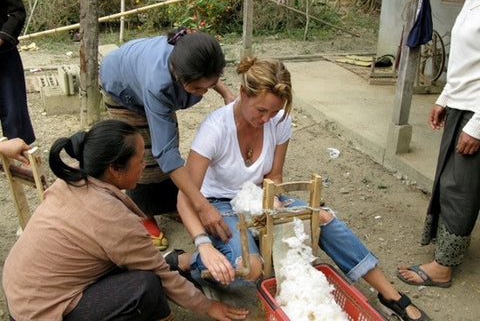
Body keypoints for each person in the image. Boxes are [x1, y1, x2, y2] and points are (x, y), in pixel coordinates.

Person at [167, 57, 431, 321]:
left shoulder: (279, 120)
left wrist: (274, 203)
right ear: (243, 93)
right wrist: (203, 245)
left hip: (259, 196)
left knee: (323, 218)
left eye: (274, 111)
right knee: (250, 269)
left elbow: (274, 175)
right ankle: (185, 262)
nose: (267, 118)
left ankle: (390, 296)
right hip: (219, 203)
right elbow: (185, 197)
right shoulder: (215, 129)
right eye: (261, 110)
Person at [2, 119, 249, 321]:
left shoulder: (71, 179)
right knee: (146, 285)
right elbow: (159, 276)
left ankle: (177, 261)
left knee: (142, 265)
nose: (144, 166)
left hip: (22, 291)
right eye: (140, 161)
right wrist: (207, 306)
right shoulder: (112, 218)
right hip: (40, 312)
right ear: (114, 169)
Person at [100, 27, 235, 250]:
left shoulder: (194, 52)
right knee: (142, 153)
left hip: (144, 71)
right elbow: (166, 153)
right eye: (197, 87)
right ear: (178, 74)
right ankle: (142, 213)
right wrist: (201, 206)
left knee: (167, 142)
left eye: (208, 86)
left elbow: (207, 72)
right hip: (122, 84)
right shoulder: (158, 84)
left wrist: (225, 92)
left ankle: (171, 203)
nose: (203, 92)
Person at [397, 0, 480, 289]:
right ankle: (449, 247)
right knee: (451, 182)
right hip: (462, 105)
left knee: (459, 187)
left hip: (475, 111)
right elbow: (467, 62)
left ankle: (444, 266)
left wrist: (477, 126)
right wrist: (445, 97)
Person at [0, 0, 36, 144]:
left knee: (14, 111)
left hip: (4, 56)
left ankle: (19, 157)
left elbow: (17, 12)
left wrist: (1, 37)